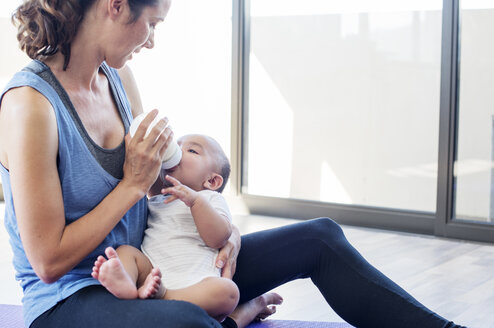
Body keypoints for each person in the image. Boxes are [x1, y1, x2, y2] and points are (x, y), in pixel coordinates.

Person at [0, 0, 466, 327]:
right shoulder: (30, 107)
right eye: (154, 23)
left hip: (157, 265)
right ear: (116, 5)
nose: (153, 41)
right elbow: (49, 261)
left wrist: (229, 233)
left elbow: (160, 186)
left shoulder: (118, 77)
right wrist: (129, 186)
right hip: (71, 299)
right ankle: (235, 318)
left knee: (319, 237)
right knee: (184, 321)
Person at [92, 134, 282, 324]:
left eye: (192, 150)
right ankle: (125, 283)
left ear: (212, 181)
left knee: (228, 292)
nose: (178, 151)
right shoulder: (159, 196)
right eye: (178, 145)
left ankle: (163, 296)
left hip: (196, 284)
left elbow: (218, 238)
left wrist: (195, 202)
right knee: (126, 252)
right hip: (151, 272)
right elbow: (149, 176)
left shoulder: (210, 199)